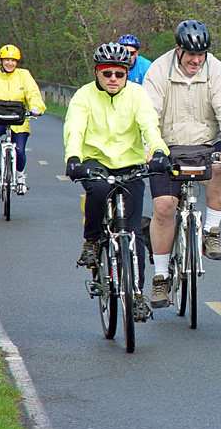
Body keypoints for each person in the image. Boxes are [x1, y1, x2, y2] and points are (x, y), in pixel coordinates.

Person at [142, 19, 221, 308]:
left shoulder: (216, 70)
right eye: (190, 55)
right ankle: (161, 276)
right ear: (178, 49)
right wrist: (153, 149)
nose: (196, 61)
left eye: (201, 55)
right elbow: (148, 114)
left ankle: (211, 230)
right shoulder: (159, 70)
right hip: (167, 146)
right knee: (163, 207)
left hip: (204, 144)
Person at [63, 42, 170, 319]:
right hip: (95, 161)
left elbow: (149, 124)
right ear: (97, 73)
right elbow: (74, 127)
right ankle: (92, 241)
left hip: (130, 164)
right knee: (98, 191)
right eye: (107, 73)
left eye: (119, 74)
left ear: (126, 74)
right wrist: (73, 157)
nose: (113, 79)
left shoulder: (138, 94)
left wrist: (158, 151)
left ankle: (136, 295)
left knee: (133, 234)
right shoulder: (83, 96)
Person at [0, 44, 46, 195]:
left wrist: (36, 107)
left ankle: (20, 178)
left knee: (20, 150)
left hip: (19, 120)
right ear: (1, 61)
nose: (10, 63)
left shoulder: (24, 75)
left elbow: (33, 93)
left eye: (13, 60)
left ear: (17, 62)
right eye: (7, 60)